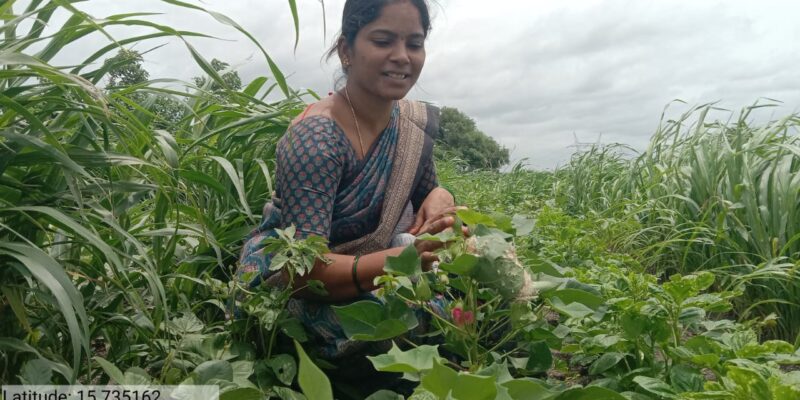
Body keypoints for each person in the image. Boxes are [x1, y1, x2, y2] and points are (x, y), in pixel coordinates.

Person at [238, 0, 457, 364]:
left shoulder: (409, 126)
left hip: (375, 265)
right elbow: (302, 271)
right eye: (383, 40)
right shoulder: (317, 137)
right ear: (346, 50)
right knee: (393, 325)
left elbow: (426, 193)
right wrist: (398, 262)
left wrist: (441, 196)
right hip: (297, 285)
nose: (402, 56)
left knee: (476, 285)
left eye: (414, 44)